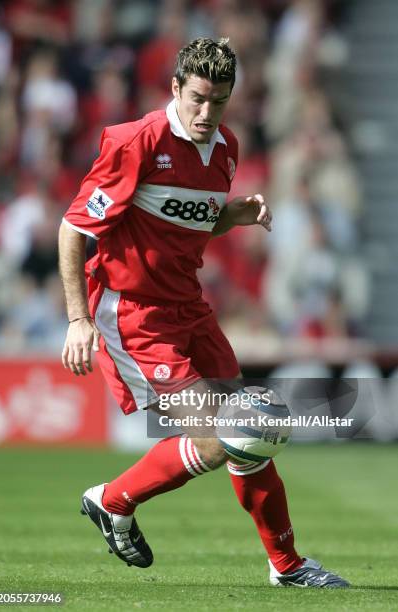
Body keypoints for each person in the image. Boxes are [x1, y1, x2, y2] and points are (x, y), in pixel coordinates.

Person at [59, 38, 349, 588]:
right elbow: (74, 228)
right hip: (135, 312)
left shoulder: (227, 149)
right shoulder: (135, 141)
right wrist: (77, 320)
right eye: (195, 98)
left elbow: (189, 224)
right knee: (224, 434)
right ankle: (111, 499)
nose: (204, 112)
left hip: (189, 307)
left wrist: (230, 216)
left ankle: (287, 566)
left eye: (217, 102)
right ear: (174, 88)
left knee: (253, 431)